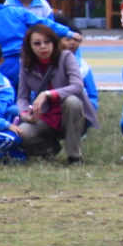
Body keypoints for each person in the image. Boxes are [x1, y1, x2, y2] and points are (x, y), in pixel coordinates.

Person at [13, 24, 91, 162]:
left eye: (47, 41)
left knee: (72, 101)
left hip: (71, 116)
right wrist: (25, 114)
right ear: (29, 46)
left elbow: (77, 86)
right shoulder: (26, 63)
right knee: (22, 133)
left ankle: (74, 156)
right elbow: (22, 97)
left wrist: (47, 94)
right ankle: (51, 148)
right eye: (37, 43)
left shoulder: (66, 56)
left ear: (54, 42)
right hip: (45, 117)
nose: (43, 47)